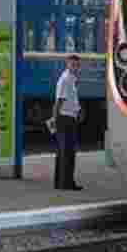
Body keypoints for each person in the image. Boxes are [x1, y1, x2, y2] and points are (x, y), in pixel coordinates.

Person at [52, 54, 84, 191]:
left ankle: (61, 182)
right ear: (67, 64)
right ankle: (66, 183)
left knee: (64, 152)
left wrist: (78, 110)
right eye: (73, 64)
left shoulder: (71, 79)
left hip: (69, 117)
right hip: (65, 119)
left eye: (77, 65)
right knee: (67, 152)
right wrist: (55, 119)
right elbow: (59, 101)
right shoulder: (65, 80)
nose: (75, 67)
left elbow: (71, 99)